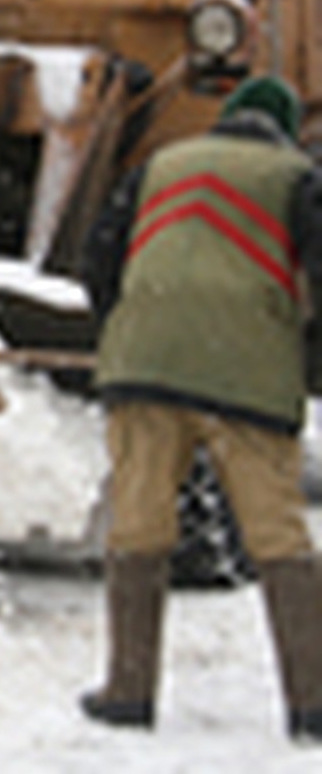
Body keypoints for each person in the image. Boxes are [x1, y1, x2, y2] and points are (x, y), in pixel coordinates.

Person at [79, 75, 322, 740]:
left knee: (139, 527)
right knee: (278, 534)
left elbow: (96, 259)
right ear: (287, 128)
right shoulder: (298, 176)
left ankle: (129, 691)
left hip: (143, 369)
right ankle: (311, 703)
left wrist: (125, 337)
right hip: (245, 372)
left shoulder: (159, 164)